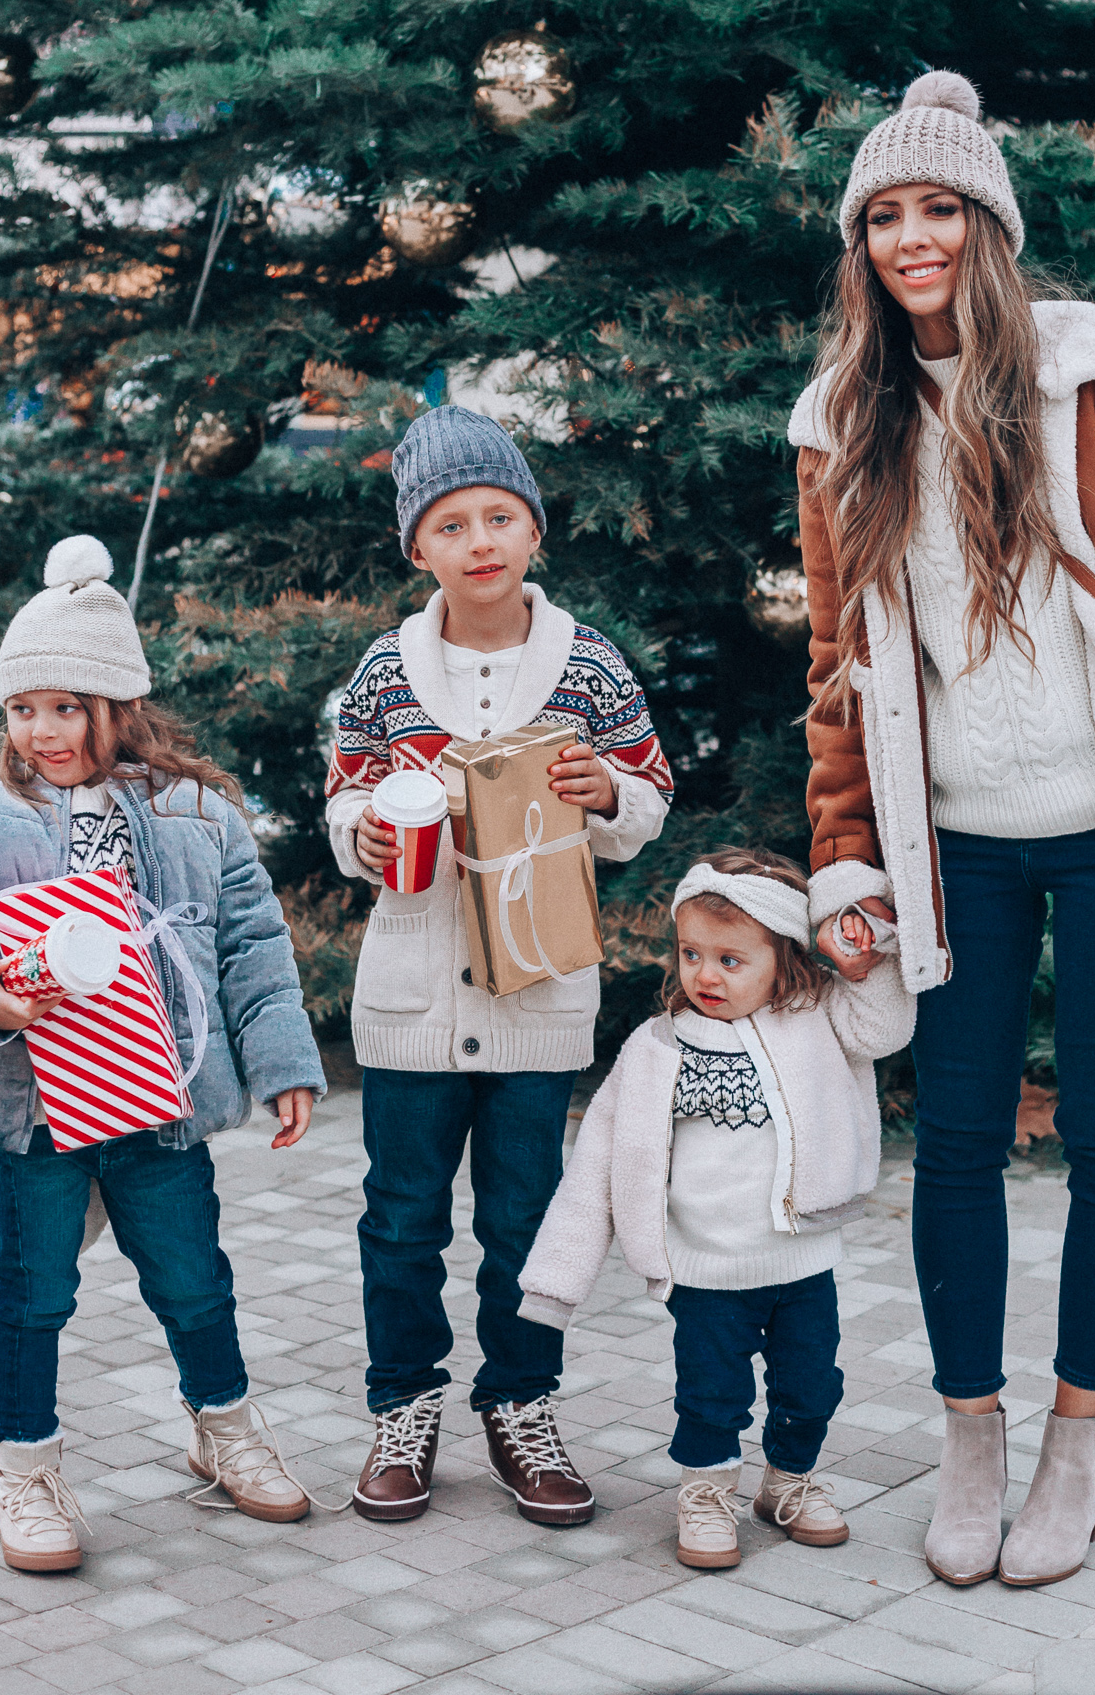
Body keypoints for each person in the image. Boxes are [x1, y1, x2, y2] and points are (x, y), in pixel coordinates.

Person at [791, 71, 1095, 1589]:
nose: (912, 236)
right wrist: (846, 853)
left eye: (940, 208)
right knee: (951, 1151)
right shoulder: (838, 424)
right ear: (861, 241)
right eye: (887, 213)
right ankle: (972, 1432)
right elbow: (840, 666)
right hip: (956, 848)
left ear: (988, 226)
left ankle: (1077, 1442)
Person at [0, 536, 327, 1575]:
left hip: (157, 1108)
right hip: (29, 1113)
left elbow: (252, 946)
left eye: (67, 705)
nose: (43, 730)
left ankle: (220, 1422)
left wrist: (284, 1063)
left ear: (116, 704)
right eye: (22, 707)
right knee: (30, 1290)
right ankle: (27, 1463)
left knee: (193, 1280)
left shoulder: (196, 817)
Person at [325, 405, 673, 1527]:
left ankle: (520, 1400)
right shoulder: (385, 672)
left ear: (534, 531)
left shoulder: (589, 665)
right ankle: (404, 1403)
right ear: (416, 547)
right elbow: (342, 794)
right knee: (402, 1213)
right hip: (414, 998)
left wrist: (609, 795)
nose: (479, 540)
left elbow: (650, 791)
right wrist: (362, 832)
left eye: (501, 516)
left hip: (535, 996)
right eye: (452, 523)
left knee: (524, 1215)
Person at [517, 849, 913, 1570]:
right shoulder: (658, 1047)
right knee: (712, 1393)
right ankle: (704, 1493)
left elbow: (887, 1027)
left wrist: (862, 929)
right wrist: (553, 1288)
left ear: (786, 958)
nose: (705, 974)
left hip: (803, 1260)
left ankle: (788, 1482)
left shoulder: (823, 1020)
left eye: (732, 960)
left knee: (811, 1384)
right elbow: (597, 1170)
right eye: (692, 953)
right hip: (704, 1270)